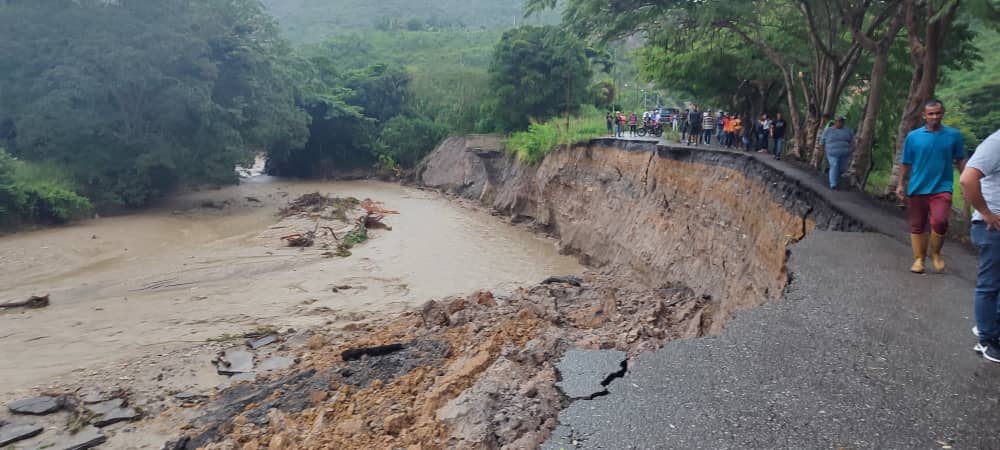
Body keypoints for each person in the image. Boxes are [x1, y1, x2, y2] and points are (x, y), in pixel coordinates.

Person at [896, 99, 966, 274]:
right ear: (924, 116)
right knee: (917, 224)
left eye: (938, 113)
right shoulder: (913, 137)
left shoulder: (954, 135)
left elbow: (960, 160)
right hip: (917, 187)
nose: (935, 117)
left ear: (943, 114)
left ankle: (935, 253)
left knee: (940, 220)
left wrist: (965, 182)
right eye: (931, 114)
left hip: (942, 186)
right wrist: (900, 183)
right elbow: (906, 162)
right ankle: (919, 259)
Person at [959, 128, 1000, 362]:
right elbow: (967, 178)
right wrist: (987, 213)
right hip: (993, 227)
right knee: (990, 284)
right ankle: (987, 340)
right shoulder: (997, 142)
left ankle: (992, 329)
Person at [820, 116, 854, 189]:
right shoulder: (828, 130)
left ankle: (834, 177)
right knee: (834, 165)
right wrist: (822, 150)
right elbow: (822, 141)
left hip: (845, 153)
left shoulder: (848, 131)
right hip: (832, 153)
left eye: (842, 121)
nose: (840, 123)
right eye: (839, 121)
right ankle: (833, 184)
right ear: (835, 122)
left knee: (842, 169)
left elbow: (852, 141)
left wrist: (851, 149)